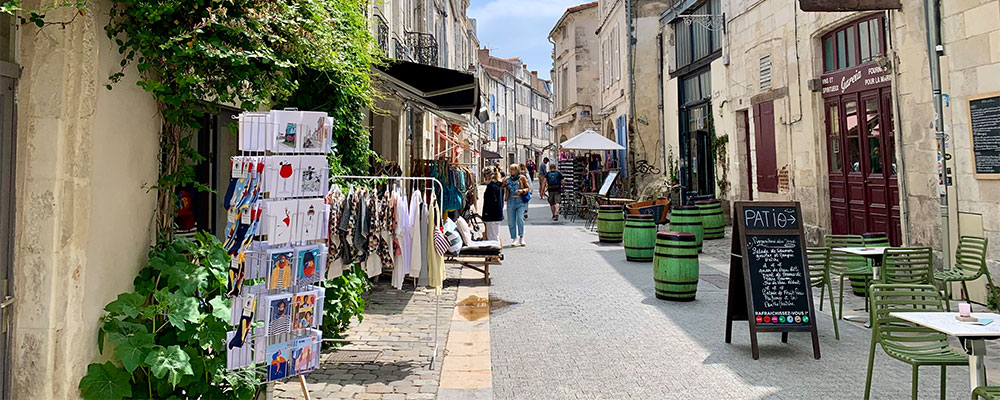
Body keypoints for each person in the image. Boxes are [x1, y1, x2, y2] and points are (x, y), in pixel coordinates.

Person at [503, 164, 530, 246]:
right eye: (510, 169)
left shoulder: (522, 178)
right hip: (510, 200)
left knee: (520, 219)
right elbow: (501, 186)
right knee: (511, 221)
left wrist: (522, 191)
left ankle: (521, 237)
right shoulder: (507, 179)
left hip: (520, 200)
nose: (511, 171)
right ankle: (514, 238)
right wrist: (502, 182)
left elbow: (528, 188)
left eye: (513, 170)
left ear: (517, 170)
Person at [481, 167, 505, 244]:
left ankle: (495, 252)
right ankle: (496, 251)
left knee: (492, 236)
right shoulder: (499, 185)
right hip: (497, 213)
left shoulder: (491, 186)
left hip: (491, 215)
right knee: (494, 234)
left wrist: (486, 214)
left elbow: (491, 201)